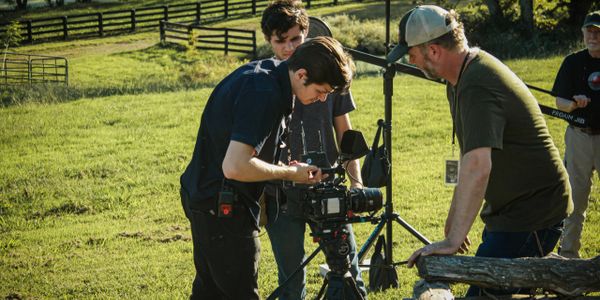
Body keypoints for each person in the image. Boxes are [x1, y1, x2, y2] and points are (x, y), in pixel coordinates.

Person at [386, 5, 572, 296]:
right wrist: (452, 228)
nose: (412, 62)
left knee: (483, 294)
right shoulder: (461, 78)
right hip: (510, 211)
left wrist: (452, 240)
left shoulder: (476, 84)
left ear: (433, 51)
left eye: (412, 54)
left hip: (533, 214)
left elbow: (477, 165)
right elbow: (468, 158)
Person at [179, 36, 355, 299]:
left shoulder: (266, 76)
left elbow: (242, 150)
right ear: (302, 74)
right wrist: (289, 173)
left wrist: (283, 166)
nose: (321, 100)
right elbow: (236, 166)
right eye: (321, 92)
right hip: (223, 209)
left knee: (210, 293)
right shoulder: (265, 93)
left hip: (207, 200)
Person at [259, 1, 367, 298]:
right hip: (281, 194)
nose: (289, 47)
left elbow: (346, 135)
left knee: (348, 270)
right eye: (281, 41)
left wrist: (356, 184)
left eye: (296, 38)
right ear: (269, 41)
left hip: (328, 188)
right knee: (292, 280)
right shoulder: (266, 84)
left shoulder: (329, 71)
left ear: (306, 32)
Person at [552, 10, 600, 259]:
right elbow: (559, 100)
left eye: (598, 31)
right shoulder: (572, 62)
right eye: (589, 31)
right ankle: (569, 257)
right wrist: (572, 104)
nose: (593, 36)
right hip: (579, 137)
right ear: (582, 33)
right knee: (575, 201)